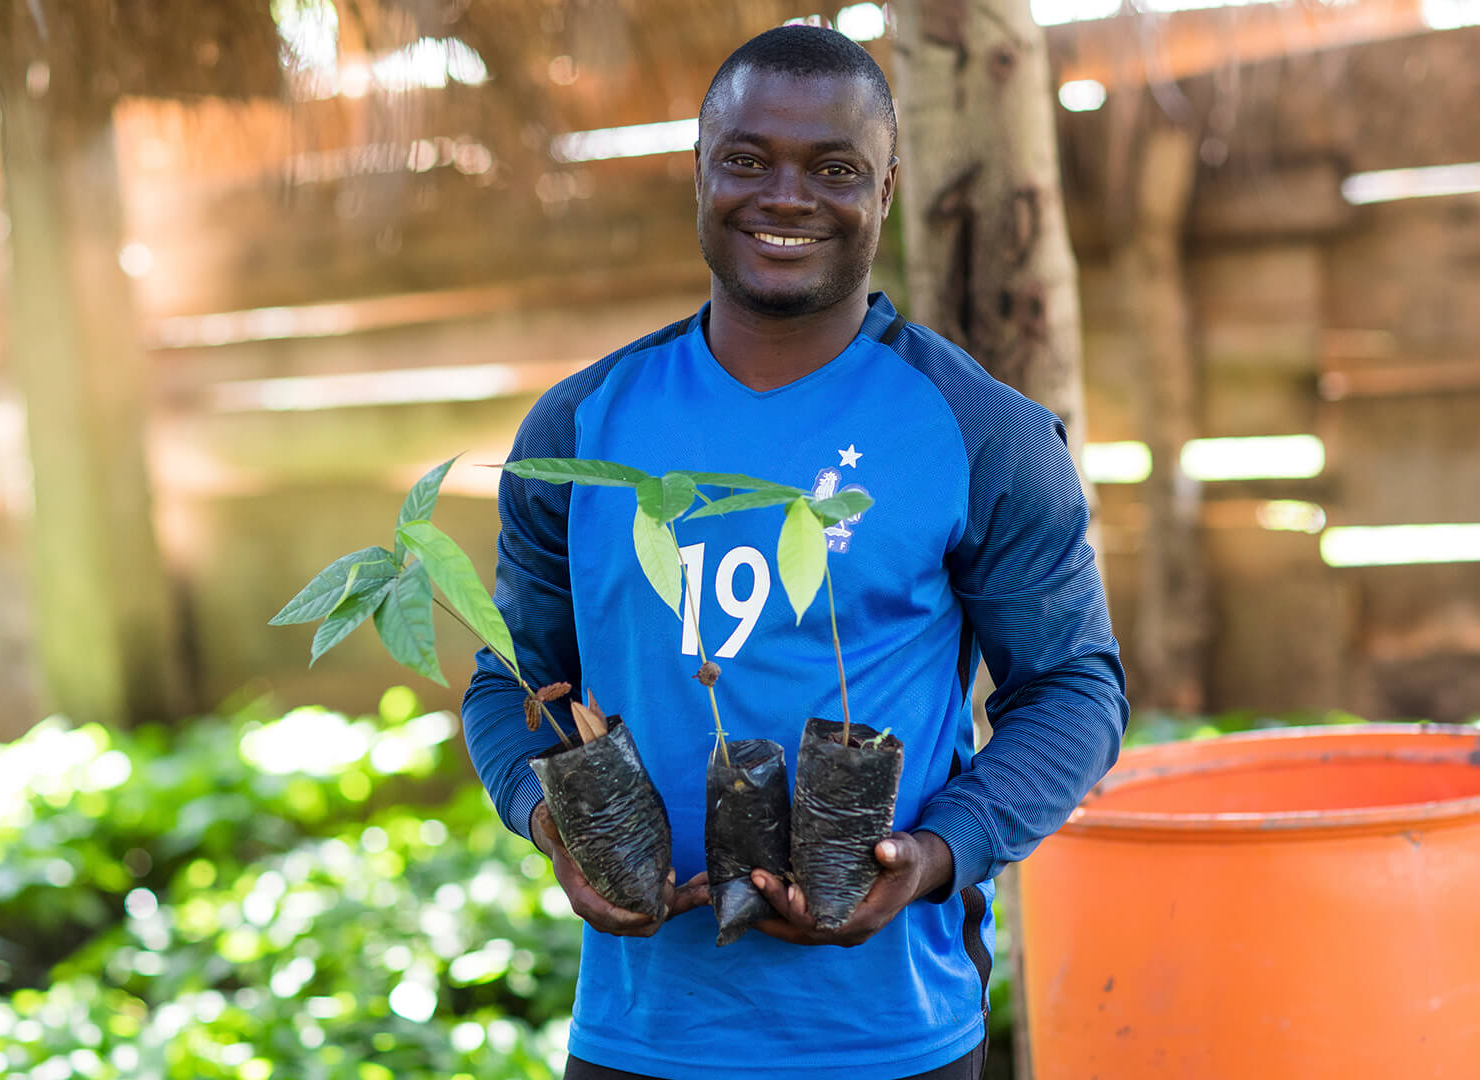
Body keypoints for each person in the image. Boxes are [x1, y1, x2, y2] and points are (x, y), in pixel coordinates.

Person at [460, 24, 1128, 1080]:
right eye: (745, 160)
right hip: (639, 1037)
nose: (786, 197)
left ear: (887, 190)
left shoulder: (980, 433)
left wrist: (936, 857)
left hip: (893, 1038)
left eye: (833, 169)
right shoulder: (581, 430)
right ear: (698, 171)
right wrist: (549, 821)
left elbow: (1075, 692)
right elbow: (513, 685)